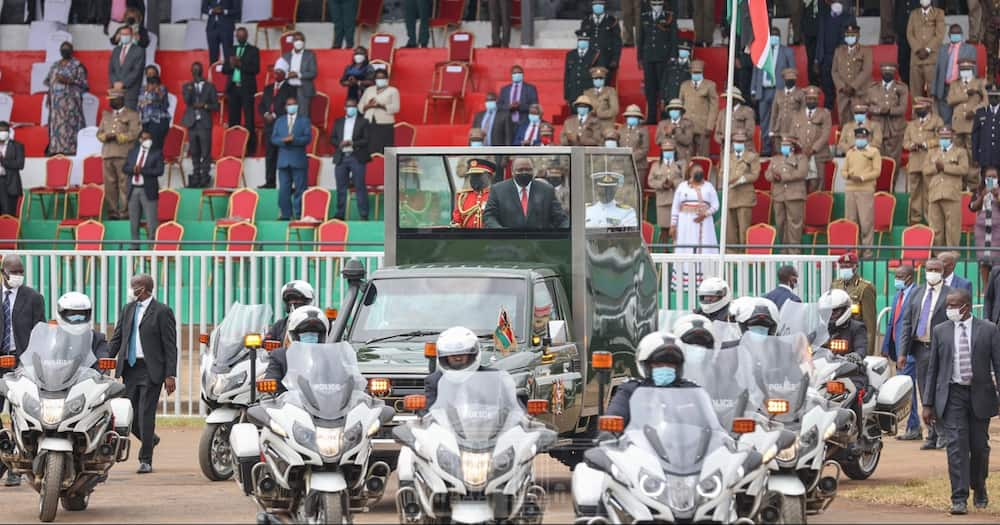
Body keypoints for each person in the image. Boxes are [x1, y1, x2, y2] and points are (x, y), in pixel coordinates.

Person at [922, 288, 1000, 515]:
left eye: (954, 305)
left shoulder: (989, 329)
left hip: (980, 394)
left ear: (966, 306)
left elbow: (998, 364)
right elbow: (933, 369)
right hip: (952, 394)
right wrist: (928, 403)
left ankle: (980, 486)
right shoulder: (940, 331)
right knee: (956, 445)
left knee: (979, 447)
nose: (950, 310)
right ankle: (959, 497)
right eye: (948, 305)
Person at [107, 273, 177, 474]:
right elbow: (118, 337)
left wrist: (170, 374)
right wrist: (105, 360)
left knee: (146, 415)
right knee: (128, 415)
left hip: (151, 369)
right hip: (129, 369)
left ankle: (145, 458)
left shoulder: (162, 311)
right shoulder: (128, 309)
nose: (131, 289)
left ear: (144, 289)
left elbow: (170, 345)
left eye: (134, 286)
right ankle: (151, 439)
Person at [897, 258, 952, 450]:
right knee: (924, 392)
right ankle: (931, 434)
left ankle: (943, 434)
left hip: (942, 351)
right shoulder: (917, 292)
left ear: (943, 272)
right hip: (921, 349)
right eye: (930, 269)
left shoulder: (950, 294)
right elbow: (906, 323)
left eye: (937, 269)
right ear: (924, 271)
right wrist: (902, 353)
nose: (933, 272)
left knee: (939, 392)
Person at [607, 332, 698, 425]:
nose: (665, 367)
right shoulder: (631, 390)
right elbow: (616, 413)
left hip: (681, 439)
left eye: (671, 364)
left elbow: (707, 423)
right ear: (645, 365)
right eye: (658, 364)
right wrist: (608, 433)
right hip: (639, 439)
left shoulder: (691, 391)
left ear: (678, 367)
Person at [884, 265, 922, 440]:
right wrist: (886, 347)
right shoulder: (898, 295)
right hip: (897, 349)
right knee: (907, 388)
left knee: (907, 388)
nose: (896, 279)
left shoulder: (917, 295)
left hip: (909, 352)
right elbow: (892, 322)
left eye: (899, 276)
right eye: (895, 275)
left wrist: (906, 352)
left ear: (909, 277)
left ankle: (914, 426)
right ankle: (913, 426)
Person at [483, 157, 569, 230]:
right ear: (512, 172)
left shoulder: (546, 190)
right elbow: (489, 217)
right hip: (507, 243)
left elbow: (561, 218)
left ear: (533, 171)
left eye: (528, 170)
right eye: (520, 170)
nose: (524, 173)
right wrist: (502, 232)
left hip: (540, 244)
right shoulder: (498, 190)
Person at [263, 305, 330, 393]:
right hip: (290, 404)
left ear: (323, 335)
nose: (310, 336)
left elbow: (344, 380)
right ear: (293, 334)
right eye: (304, 332)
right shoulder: (280, 356)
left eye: (315, 333)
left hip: (327, 403)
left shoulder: (331, 357)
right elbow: (272, 380)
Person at [98, 83, 141, 219]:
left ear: (121, 99)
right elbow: (99, 133)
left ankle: (125, 212)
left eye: (113, 99)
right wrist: (106, 136)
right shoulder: (106, 115)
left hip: (123, 153)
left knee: (124, 185)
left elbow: (134, 133)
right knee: (109, 186)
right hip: (107, 153)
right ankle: (112, 212)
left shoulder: (132, 115)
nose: (110, 101)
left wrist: (119, 137)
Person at [751, 28, 795, 156]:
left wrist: (790, 89)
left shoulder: (786, 51)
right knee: (764, 121)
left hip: (779, 90)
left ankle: (779, 149)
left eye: (777, 35)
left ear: (780, 36)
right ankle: (766, 149)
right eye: (772, 35)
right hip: (763, 91)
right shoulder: (762, 51)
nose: (774, 37)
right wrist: (753, 89)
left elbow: (792, 71)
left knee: (779, 120)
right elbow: (756, 71)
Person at [923, 127, 967, 248]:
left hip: (951, 194)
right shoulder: (932, 152)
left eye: (947, 136)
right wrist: (936, 168)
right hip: (935, 194)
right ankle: (938, 256)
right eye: (942, 136)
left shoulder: (960, 152)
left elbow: (964, 169)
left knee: (952, 228)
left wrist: (945, 167)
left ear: (952, 136)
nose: (944, 139)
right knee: (935, 227)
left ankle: (952, 256)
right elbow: (925, 170)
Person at [903, 97, 944, 224]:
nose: (918, 111)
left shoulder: (937, 121)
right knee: (914, 191)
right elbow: (905, 142)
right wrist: (911, 146)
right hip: (915, 161)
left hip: (929, 162)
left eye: (921, 108)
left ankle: (929, 219)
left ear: (928, 107)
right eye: (917, 109)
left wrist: (927, 144)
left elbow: (941, 139)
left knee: (929, 191)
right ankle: (915, 219)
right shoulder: (911, 124)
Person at [948, 60, 987, 191]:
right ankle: (959, 184)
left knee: (972, 155)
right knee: (957, 154)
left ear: (972, 69)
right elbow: (950, 100)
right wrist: (967, 94)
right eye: (962, 69)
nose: (965, 71)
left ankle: (973, 185)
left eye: (968, 69)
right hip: (958, 124)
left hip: (972, 124)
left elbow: (986, 102)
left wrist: (975, 111)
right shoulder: (955, 84)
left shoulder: (979, 83)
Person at [44, 42, 88, 156]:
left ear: (71, 51)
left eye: (67, 49)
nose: (65, 51)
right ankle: (55, 149)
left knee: (70, 128)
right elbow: (49, 82)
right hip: (56, 105)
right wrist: (48, 96)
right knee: (56, 128)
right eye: (63, 49)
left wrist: (68, 80)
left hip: (71, 104)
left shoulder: (78, 65)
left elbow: (84, 84)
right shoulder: (55, 65)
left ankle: (71, 150)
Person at [842, 128, 881, 256]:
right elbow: (843, 170)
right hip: (850, 189)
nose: (860, 139)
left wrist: (863, 177)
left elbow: (877, 171)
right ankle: (854, 252)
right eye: (858, 137)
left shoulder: (874, 152)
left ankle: (868, 252)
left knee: (866, 222)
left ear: (868, 138)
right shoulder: (850, 152)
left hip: (865, 189)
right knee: (851, 221)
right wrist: (848, 175)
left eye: (862, 137)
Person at [272, 97, 312, 221]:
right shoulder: (279, 121)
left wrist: (294, 140)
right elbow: (273, 138)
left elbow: (307, 138)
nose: (291, 106)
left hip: (298, 160)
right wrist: (283, 141)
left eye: (293, 104)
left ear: (297, 106)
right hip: (283, 161)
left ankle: (299, 214)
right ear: (285, 107)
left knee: (300, 189)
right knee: (284, 189)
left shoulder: (304, 121)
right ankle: (285, 214)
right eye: (289, 104)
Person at [637, 0, 676, 123]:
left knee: (663, 88)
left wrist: (673, 56)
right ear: (650, 5)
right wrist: (639, 57)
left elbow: (673, 37)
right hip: (648, 57)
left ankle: (664, 117)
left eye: (659, 4)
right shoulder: (644, 17)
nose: (656, 7)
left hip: (663, 57)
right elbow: (640, 38)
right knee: (650, 89)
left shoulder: (669, 17)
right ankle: (652, 117)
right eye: (654, 4)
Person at [766, 136, 808, 252]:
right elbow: (767, 174)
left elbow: (802, 173)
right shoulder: (775, 159)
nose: (783, 147)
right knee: (780, 223)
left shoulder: (801, 158)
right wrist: (773, 176)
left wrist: (784, 176)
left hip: (795, 195)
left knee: (794, 224)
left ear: (793, 147)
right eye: (782, 145)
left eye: (786, 145)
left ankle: (794, 250)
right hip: (779, 195)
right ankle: (784, 249)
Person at [831, 252, 877, 355]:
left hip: (856, 336)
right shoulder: (836, 284)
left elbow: (870, 324)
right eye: (842, 267)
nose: (844, 269)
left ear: (855, 267)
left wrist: (868, 353)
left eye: (847, 266)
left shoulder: (864, 288)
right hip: (837, 336)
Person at [258, 64, 296, 190]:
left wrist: (274, 115)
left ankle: (286, 184)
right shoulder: (268, 88)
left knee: (284, 156)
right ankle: (270, 182)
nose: (276, 74)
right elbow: (262, 105)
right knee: (270, 155)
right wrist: (266, 114)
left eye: (280, 71)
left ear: (285, 74)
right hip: (269, 127)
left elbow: (290, 107)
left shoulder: (291, 88)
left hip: (283, 126)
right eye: (275, 71)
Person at [331, 98, 370, 221]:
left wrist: (353, 143)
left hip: (356, 156)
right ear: (345, 108)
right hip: (341, 157)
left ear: (356, 108)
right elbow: (332, 138)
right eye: (348, 106)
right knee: (341, 186)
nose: (351, 109)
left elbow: (366, 140)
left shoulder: (363, 121)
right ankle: (340, 213)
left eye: (353, 106)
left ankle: (363, 214)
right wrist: (340, 144)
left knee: (360, 186)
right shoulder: (338, 122)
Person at [181, 62, 218, 189]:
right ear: (191, 71)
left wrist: (205, 105)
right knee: (195, 151)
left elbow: (216, 106)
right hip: (192, 123)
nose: (196, 72)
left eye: (198, 69)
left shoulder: (210, 86)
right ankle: (195, 176)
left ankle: (205, 176)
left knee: (205, 151)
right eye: (194, 70)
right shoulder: (187, 86)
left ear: (201, 71)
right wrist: (191, 90)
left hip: (204, 122)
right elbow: (186, 101)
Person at [867, 63, 909, 174]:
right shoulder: (872, 88)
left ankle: (891, 187)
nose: (887, 74)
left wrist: (890, 110)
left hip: (895, 128)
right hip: (877, 128)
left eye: (890, 72)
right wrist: (879, 110)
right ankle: (879, 188)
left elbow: (903, 108)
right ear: (881, 72)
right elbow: (867, 107)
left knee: (894, 160)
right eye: (885, 72)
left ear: (894, 73)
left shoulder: (902, 87)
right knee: (876, 159)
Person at [223, 27, 259, 154]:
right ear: (236, 37)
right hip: (233, 88)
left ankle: (250, 149)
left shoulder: (253, 50)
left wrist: (240, 64)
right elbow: (224, 69)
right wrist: (231, 65)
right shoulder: (230, 50)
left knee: (249, 120)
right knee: (233, 120)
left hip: (247, 89)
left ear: (247, 36)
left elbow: (256, 69)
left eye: (243, 36)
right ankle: (234, 148)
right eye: (239, 36)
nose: (241, 38)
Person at [789, 86, 832, 192]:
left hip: (818, 154)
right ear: (805, 99)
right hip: (801, 155)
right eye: (809, 99)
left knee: (818, 185)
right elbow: (792, 136)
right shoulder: (797, 114)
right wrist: (800, 149)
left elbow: (825, 134)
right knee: (800, 184)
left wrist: (813, 149)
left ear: (817, 100)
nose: (811, 101)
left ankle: (818, 207)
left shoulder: (825, 114)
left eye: (814, 99)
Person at [815, 2, 857, 111]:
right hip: (826, 58)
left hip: (842, 59)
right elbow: (820, 38)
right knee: (827, 89)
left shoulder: (848, 15)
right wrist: (817, 59)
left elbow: (853, 37)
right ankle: (829, 115)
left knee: (842, 90)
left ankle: (844, 118)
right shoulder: (823, 15)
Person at [125, 130, 163, 249]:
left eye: (148, 139)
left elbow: (159, 171)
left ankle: (151, 249)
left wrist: (142, 170)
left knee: (151, 222)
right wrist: (133, 169)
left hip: (148, 190)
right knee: (134, 222)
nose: (146, 141)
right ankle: (134, 247)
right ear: (140, 139)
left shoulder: (156, 153)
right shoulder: (133, 152)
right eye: (144, 138)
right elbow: (125, 168)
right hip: (133, 190)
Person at [933, 25, 978, 124]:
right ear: (949, 35)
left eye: (958, 33)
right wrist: (934, 90)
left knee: (959, 120)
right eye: (953, 33)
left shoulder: (970, 49)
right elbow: (937, 70)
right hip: (944, 88)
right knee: (945, 120)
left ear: (962, 35)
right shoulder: (943, 49)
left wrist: (973, 88)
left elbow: (974, 70)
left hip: (961, 88)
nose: (955, 35)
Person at [671, 164, 718, 256]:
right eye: (696, 171)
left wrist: (705, 214)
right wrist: (673, 225)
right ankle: (685, 270)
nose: (698, 173)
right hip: (685, 223)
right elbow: (675, 206)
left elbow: (716, 205)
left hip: (705, 222)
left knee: (704, 247)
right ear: (690, 173)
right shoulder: (682, 186)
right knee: (686, 246)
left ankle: (704, 270)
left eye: (700, 171)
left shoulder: (709, 186)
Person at [831, 24, 873, 126]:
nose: (850, 37)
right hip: (843, 94)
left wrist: (853, 86)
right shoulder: (839, 51)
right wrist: (842, 87)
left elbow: (866, 71)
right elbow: (834, 71)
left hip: (859, 93)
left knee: (860, 125)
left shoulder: (866, 51)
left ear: (858, 35)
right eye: (848, 35)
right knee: (844, 124)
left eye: (853, 34)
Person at [725, 130, 759, 252]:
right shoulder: (727, 156)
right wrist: (728, 180)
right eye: (736, 142)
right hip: (731, 195)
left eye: (741, 142)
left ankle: (744, 254)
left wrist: (741, 179)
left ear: (745, 143)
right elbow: (722, 173)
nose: (738, 144)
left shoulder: (752, 156)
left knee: (744, 228)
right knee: (730, 229)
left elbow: (755, 175)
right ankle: (731, 254)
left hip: (745, 196)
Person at [905, 0, 946, 99]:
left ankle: (934, 114)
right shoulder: (914, 14)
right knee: (915, 92)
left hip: (931, 59)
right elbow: (909, 34)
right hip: (916, 59)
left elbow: (940, 34)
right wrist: (918, 49)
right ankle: (916, 114)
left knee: (933, 92)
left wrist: (927, 49)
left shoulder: (939, 13)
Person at [679, 60, 718, 157]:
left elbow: (714, 107)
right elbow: (680, 105)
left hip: (703, 126)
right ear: (690, 72)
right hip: (686, 126)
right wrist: (680, 124)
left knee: (703, 155)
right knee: (686, 155)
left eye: (698, 72)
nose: (696, 74)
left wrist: (710, 126)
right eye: (694, 72)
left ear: (702, 72)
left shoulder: (710, 85)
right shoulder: (684, 85)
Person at [648, 139, 683, 244]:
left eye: (670, 150)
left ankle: (676, 251)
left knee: (676, 228)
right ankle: (664, 250)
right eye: (665, 150)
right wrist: (661, 184)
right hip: (662, 200)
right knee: (664, 229)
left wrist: (674, 183)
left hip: (675, 200)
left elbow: (684, 180)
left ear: (674, 151)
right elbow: (650, 181)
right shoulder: (656, 165)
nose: (667, 152)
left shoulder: (679, 165)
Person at [579, 0, 622, 83]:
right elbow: (582, 41)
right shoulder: (586, 21)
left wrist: (615, 59)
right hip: (589, 60)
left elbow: (617, 42)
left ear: (604, 5)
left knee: (605, 86)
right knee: (588, 86)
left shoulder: (612, 21)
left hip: (606, 59)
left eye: (600, 4)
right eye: (595, 4)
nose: (597, 6)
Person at [359, 69, 399, 155]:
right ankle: (371, 167)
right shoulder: (369, 90)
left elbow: (396, 108)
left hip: (385, 124)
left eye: (382, 78)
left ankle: (386, 168)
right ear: (374, 79)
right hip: (368, 122)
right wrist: (368, 106)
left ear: (387, 78)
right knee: (369, 149)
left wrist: (380, 106)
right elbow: (360, 106)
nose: (380, 79)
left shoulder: (393, 90)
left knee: (384, 150)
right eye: (378, 78)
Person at [971, 167, 1000, 287]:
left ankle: (996, 289)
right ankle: (985, 289)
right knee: (984, 260)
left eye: (994, 177)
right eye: (989, 177)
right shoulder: (978, 190)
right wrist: (982, 196)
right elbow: (972, 207)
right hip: (982, 230)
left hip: (997, 230)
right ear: (984, 178)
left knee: (996, 260)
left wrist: (996, 194)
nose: (991, 179)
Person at [108, 25, 145, 110]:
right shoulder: (116, 50)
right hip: (115, 90)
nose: (124, 36)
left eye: (126, 34)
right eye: (122, 34)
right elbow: (111, 70)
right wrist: (115, 82)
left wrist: (123, 83)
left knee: (128, 118)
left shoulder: (139, 50)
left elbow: (136, 71)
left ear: (131, 35)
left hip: (130, 91)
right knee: (115, 118)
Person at [282, 33, 318, 118]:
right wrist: (288, 74)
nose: (299, 42)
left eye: (301, 40)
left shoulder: (310, 55)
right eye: (296, 40)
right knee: (288, 115)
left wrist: (298, 74)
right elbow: (281, 72)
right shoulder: (286, 55)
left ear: (304, 42)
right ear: (292, 42)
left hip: (303, 88)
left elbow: (313, 73)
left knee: (303, 115)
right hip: (288, 88)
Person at [564, 30, 601, 111]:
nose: (582, 42)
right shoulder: (570, 55)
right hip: (574, 92)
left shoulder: (595, 54)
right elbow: (567, 76)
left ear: (588, 41)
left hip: (588, 92)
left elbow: (599, 75)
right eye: (580, 40)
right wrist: (566, 95)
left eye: (585, 40)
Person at [452, 159, 494, 229]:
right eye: (472, 175)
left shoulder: (496, 195)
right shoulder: (463, 197)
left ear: (489, 176)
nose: (474, 178)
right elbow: (457, 221)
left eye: (478, 175)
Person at [713, 88, 755, 152]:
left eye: (729, 97)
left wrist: (731, 136)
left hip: (743, 149)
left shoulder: (747, 111)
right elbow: (717, 134)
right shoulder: (722, 112)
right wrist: (721, 139)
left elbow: (750, 132)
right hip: (726, 151)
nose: (727, 100)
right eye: (726, 98)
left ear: (736, 99)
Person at [138, 74, 171, 150]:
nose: (153, 87)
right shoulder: (142, 90)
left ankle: (157, 160)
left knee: (155, 145)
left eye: (156, 85)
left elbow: (160, 100)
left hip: (159, 121)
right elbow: (140, 105)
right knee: (144, 144)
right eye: (151, 84)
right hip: (146, 121)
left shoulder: (161, 88)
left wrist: (156, 92)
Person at [972, 86, 1000, 175]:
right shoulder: (980, 112)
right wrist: (975, 157)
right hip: (985, 156)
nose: (993, 99)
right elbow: (975, 136)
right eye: (991, 96)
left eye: (996, 96)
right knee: (985, 182)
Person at [583, 66, 619, 132]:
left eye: (601, 78)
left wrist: (601, 114)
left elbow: (615, 110)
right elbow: (584, 109)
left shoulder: (610, 91)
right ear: (593, 80)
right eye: (596, 79)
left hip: (607, 124)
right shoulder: (587, 93)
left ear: (604, 79)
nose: (598, 80)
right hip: (591, 125)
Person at [0, 122, 25, 217]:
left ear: (8, 132)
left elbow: (20, 164)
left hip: (10, 184)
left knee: (8, 214)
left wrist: (3, 161)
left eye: (4, 130)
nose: (2, 133)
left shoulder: (17, 146)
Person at [203, 0, 238, 66]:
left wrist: (224, 11)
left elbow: (237, 10)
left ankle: (229, 74)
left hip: (227, 28)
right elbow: (203, 8)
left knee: (228, 55)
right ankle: (213, 74)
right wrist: (212, 11)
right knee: (213, 56)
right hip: (212, 28)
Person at [662, 41, 692, 115]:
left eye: (685, 50)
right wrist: (663, 98)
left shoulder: (692, 67)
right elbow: (664, 81)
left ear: (689, 53)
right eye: (681, 50)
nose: (683, 52)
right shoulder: (671, 64)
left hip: (684, 99)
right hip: (670, 97)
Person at [620, 104, 649, 179]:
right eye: (630, 116)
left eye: (634, 117)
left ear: (638, 118)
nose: (631, 118)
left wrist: (631, 157)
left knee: (637, 188)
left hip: (638, 166)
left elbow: (644, 149)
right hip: (622, 165)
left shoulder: (643, 130)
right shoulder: (621, 129)